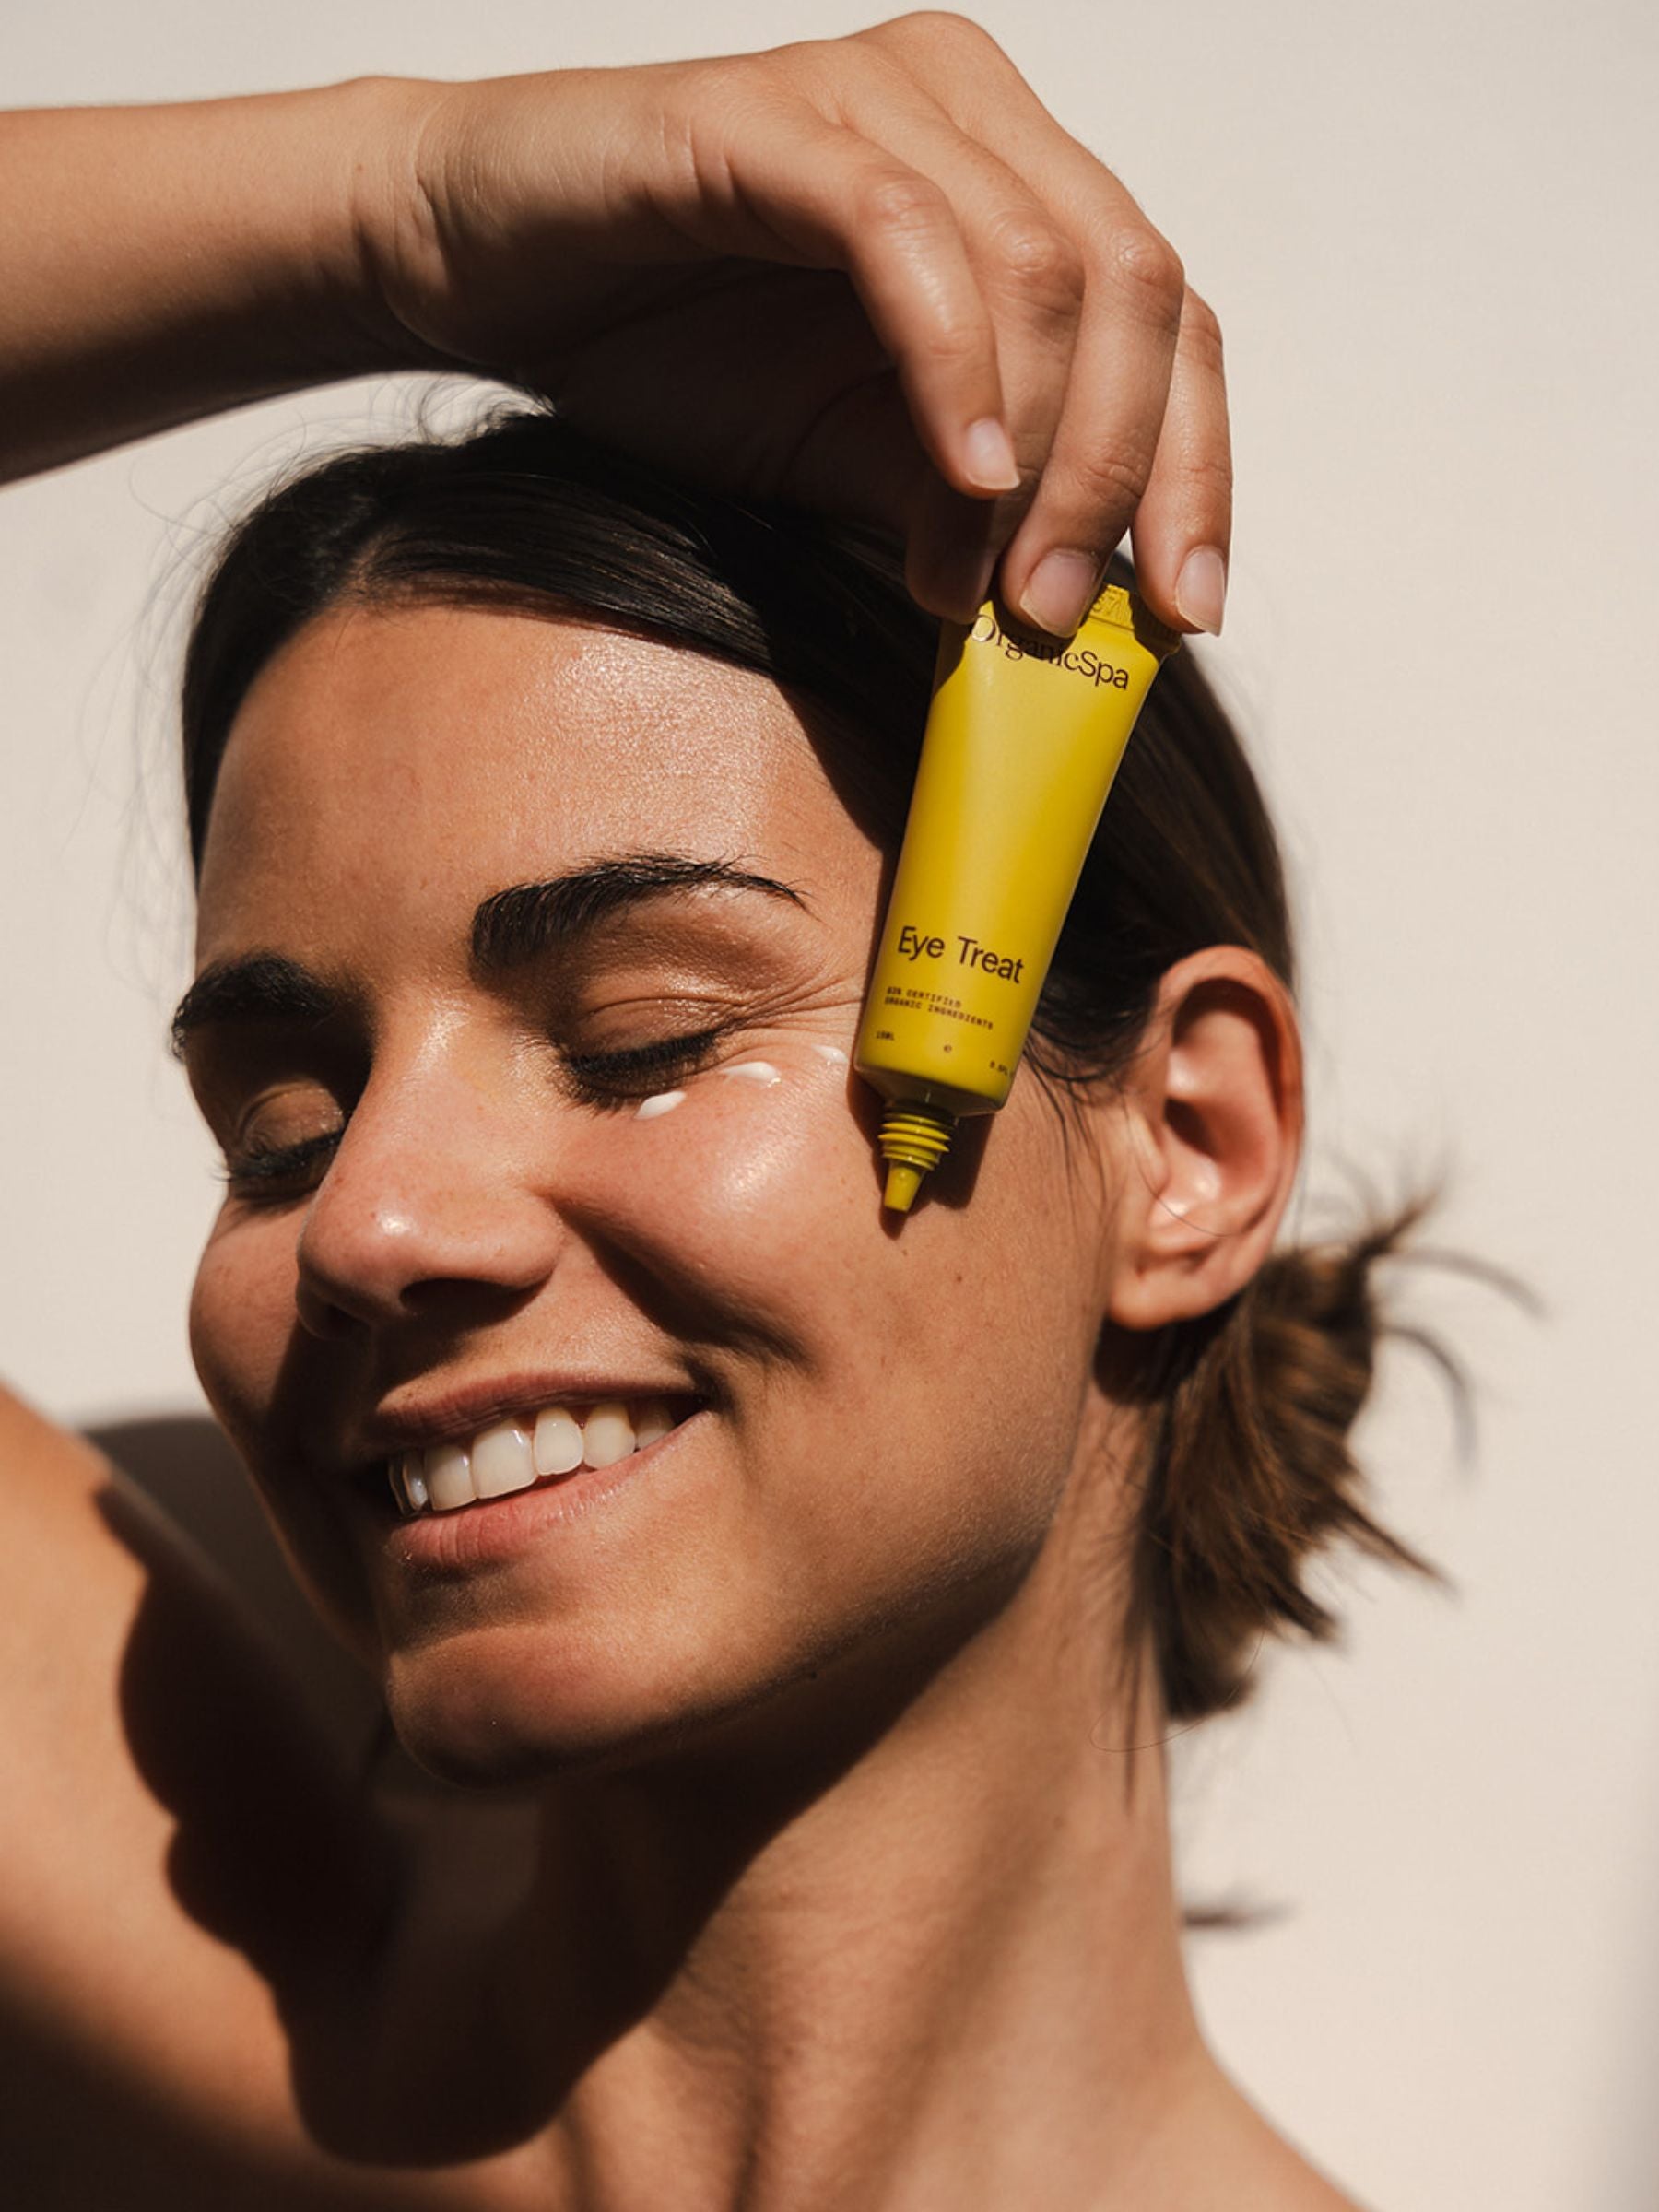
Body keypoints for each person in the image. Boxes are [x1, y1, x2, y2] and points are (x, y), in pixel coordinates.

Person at [1, 17, 1434, 2206]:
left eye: (647, 1031)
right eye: (281, 1122)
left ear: (1194, 1150)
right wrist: (397, 217)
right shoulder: (191, 2028)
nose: (374, 1221)